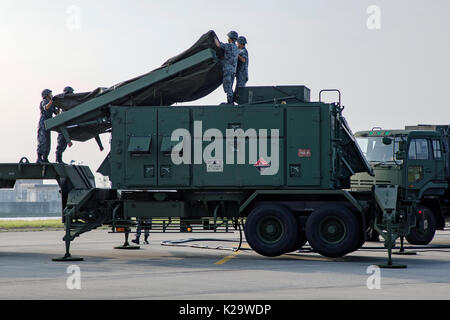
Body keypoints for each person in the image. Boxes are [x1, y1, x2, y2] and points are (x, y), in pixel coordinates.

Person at [215, 31, 239, 104]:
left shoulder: (229, 46)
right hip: (233, 71)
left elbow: (218, 45)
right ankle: (230, 102)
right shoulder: (236, 48)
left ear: (230, 38)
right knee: (230, 87)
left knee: (228, 87)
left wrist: (214, 38)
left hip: (228, 70)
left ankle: (230, 103)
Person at [37, 89, 58, 163]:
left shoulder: (52, 104)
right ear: (46, 95)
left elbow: (57, 113)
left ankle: (45, 157)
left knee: (48, 142)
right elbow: (46, 107)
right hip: (43, 123)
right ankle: (39, 158)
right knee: (42, 141)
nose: (51, 95)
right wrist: (51, 102)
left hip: (49, 124)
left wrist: (58, 105)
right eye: (50, 93)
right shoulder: (44, 102)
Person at [55, 86, 74, 164]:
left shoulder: (68, 104)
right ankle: (58, 159)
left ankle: (59, 159)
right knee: (60, 145)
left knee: (63, 146)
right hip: (62, 129)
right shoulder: (63, 106)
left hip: (67, 127)